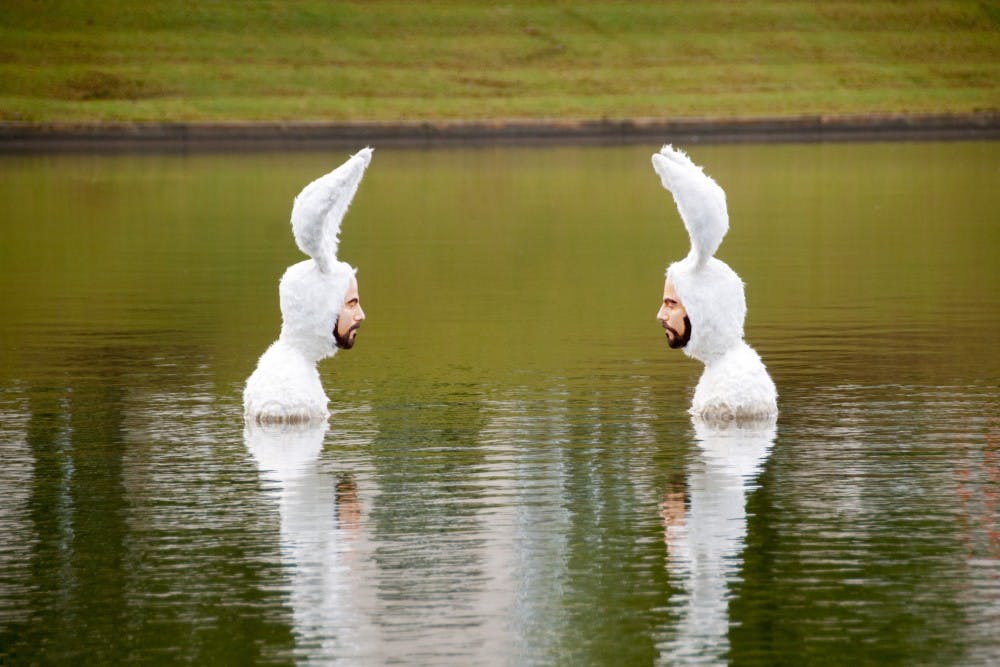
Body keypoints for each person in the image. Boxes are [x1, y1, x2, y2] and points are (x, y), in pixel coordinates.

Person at [244, 148, 372, 424]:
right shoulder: (289, 392)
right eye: (351, 303)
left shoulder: (284, 368)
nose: (361, 315)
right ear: (320, 308)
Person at [652, 145, 777, 423]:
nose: (660, 314)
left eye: (671, 303)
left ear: (703, 310)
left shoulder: (727, 393)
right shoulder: (733, 370)